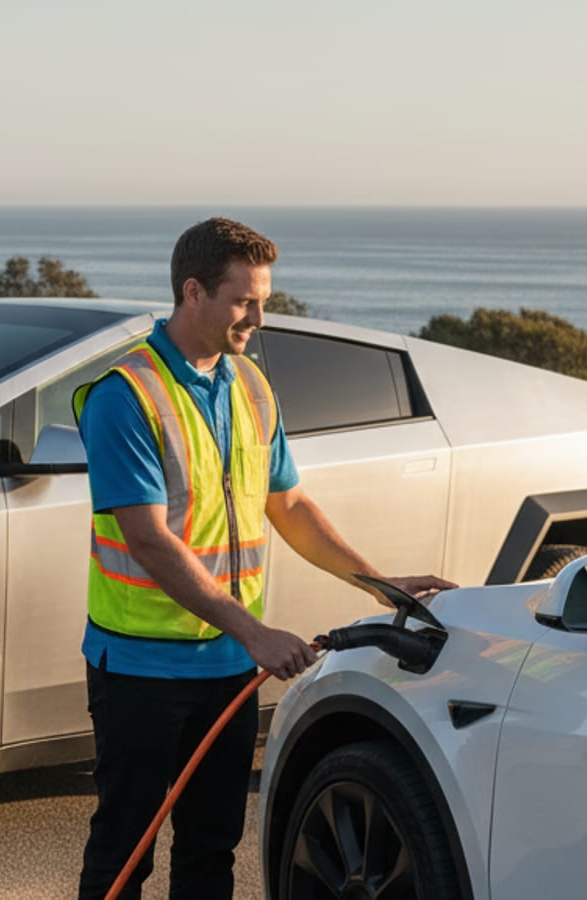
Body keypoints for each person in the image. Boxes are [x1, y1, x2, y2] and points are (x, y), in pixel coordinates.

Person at [72, 217, 456, 900]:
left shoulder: (250, 386)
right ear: (194, 292)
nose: (259, 316)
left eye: (265, 300)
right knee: (124, 853)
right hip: (140, 669)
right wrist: (253, 631)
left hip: (225, 668)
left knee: (212, 850)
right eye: (245, 300)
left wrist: (375, 583)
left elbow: (291, 506)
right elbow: (149, 539)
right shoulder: (125, 395)